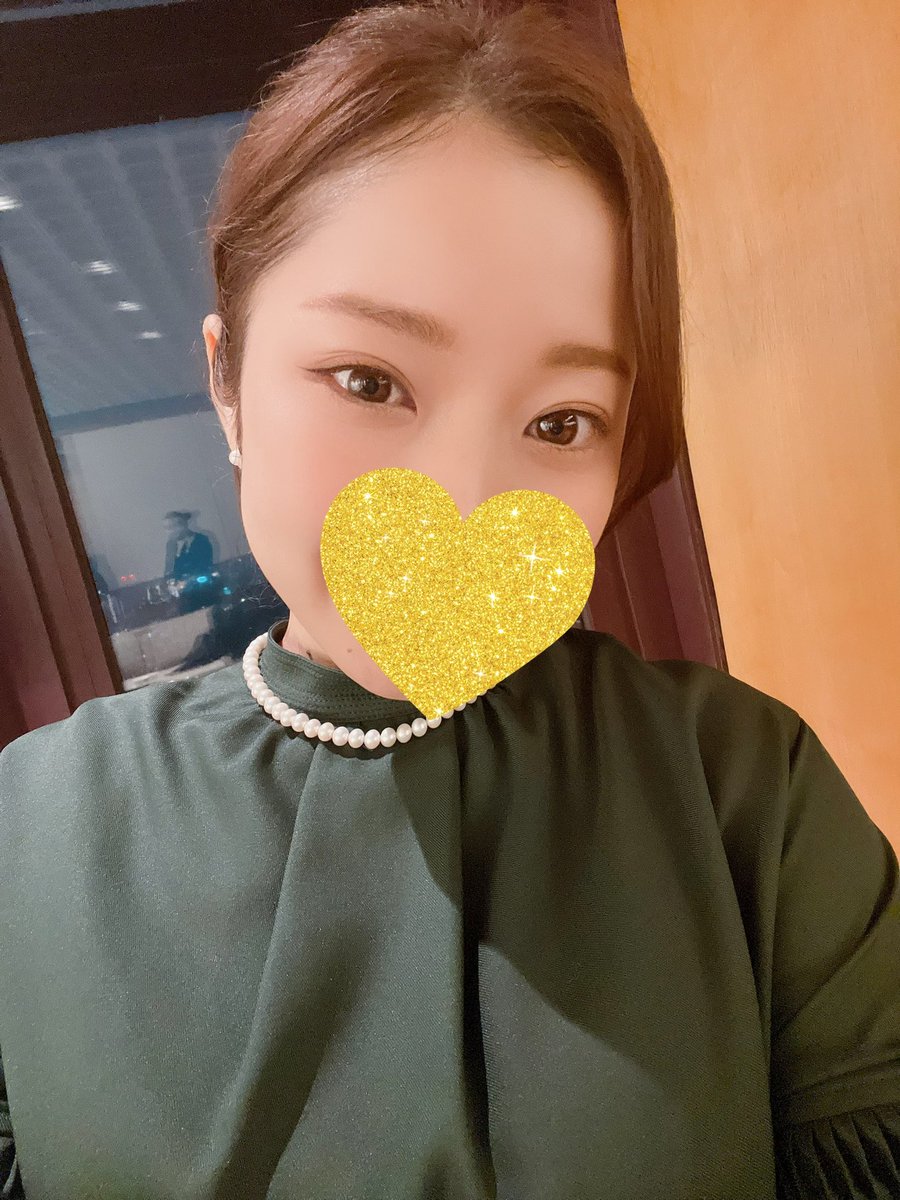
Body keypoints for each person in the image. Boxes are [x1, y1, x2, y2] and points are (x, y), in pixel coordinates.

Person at [1, 0, 897, 1195]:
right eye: (369, 380)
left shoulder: (744, 789)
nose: (464, 500)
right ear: (227, 381)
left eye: (562, 422)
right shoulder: (30, 834)